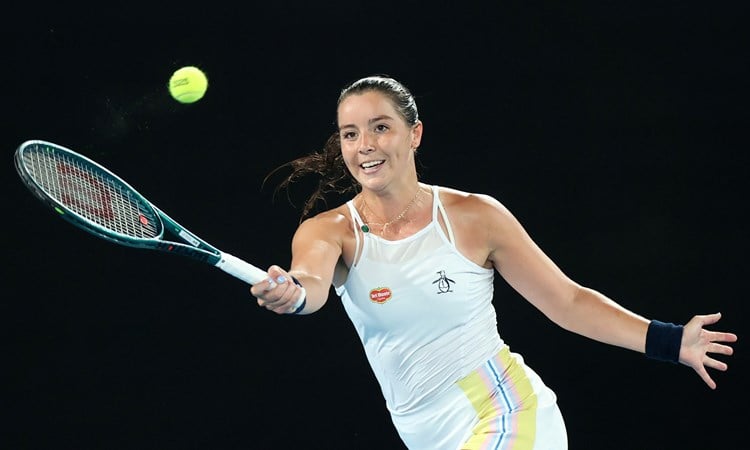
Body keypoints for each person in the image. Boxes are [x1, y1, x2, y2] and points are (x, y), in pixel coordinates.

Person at [250, 75, 737, 450]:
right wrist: (291, 293)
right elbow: (309, 283)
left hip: (507, 413)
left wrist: (670, 341)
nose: (366, 146)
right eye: (351, 134)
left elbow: (566, 301)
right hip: (429, 436)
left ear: (414, 134)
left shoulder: (473, 216)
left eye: (381, 128)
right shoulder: (328, 230)